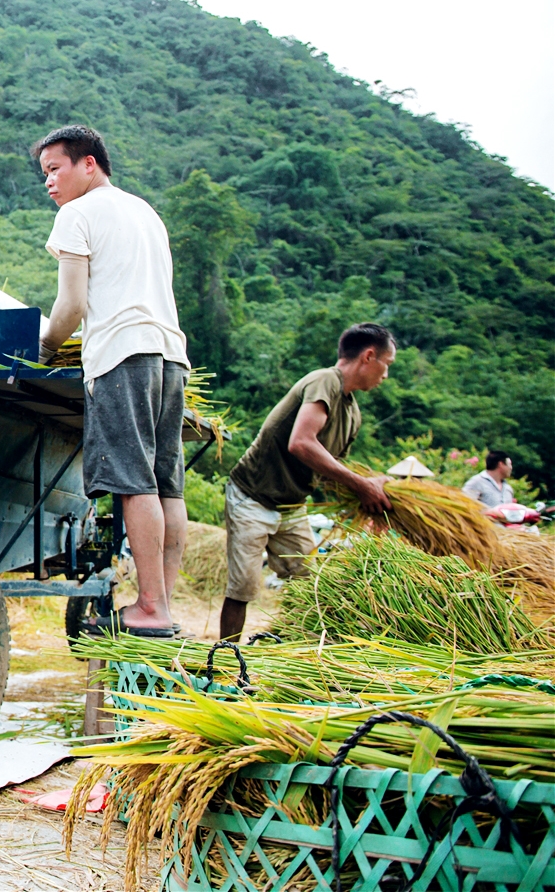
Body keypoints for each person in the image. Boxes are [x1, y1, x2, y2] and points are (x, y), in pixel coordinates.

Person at [33, 124, 189, 637]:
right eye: (45, 175)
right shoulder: (146, 212)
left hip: (123, 355)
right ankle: (161, 605)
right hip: (170, 357)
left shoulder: (77, 214)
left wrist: (43, 350)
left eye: (55, 170)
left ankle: (149, 606)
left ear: (89, 164)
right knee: (166, 484)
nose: (50, 184)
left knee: (132, 481)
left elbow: (72, 305)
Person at [218, 323, 396, 642]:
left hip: (292, 505)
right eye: (388, 364)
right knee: (243, 586)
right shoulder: (324, 381)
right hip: (252, 496)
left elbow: (331, 469)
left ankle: (293, 645)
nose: (386, 374)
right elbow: (301, 443)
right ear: (369, 356)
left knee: (309, 581)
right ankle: (226, 657)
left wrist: (371, 496)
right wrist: (361, 484)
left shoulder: (353, 413)